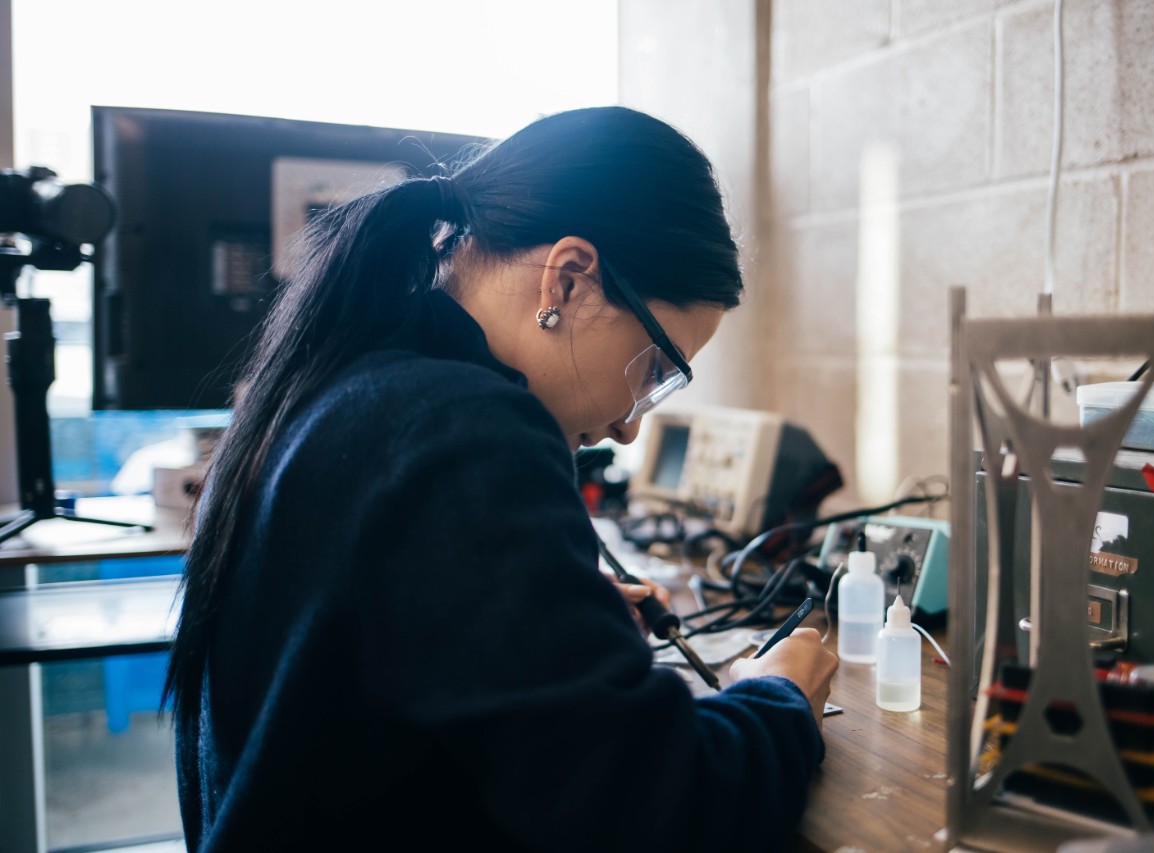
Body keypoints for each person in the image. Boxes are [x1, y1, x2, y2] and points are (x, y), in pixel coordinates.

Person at [165, 105, 839, 852]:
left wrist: (538, 616)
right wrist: (781, 696)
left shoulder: (339, 384)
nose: (629, 424)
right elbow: (652, 804)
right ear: (570, 280)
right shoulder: (465, 427)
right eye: (654, 370)